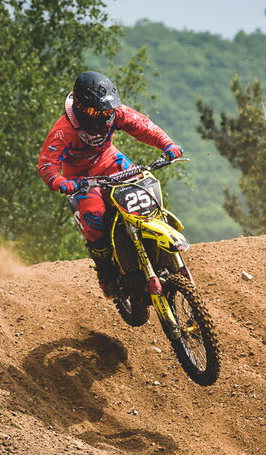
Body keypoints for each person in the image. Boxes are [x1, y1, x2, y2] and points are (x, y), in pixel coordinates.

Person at [38, 71, 183, 297]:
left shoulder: (115, 113)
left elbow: (143, 126)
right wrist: (60, 182)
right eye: (98, 111)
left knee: (145, 193)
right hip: (82, 179)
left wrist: (167, 144)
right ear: (81, 107)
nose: (105, 115)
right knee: (94, 218)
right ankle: (106, 273)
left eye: (107, 110)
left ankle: (156, 247)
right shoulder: (64, 130)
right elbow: (47, 164)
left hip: (112, 162)